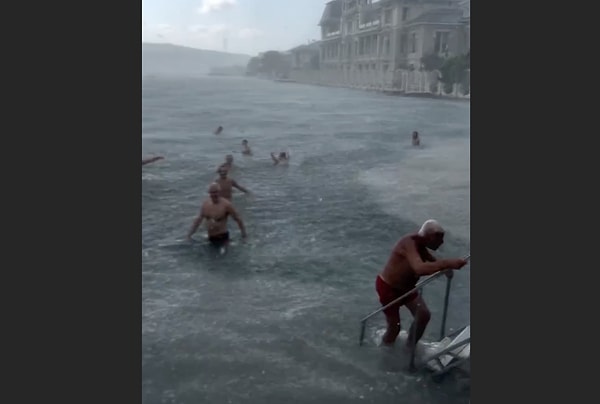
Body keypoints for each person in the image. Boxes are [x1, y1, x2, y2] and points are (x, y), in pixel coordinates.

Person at [375, 220, 467, 354]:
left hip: (406, 288)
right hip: (389, 288)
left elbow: (430, 260)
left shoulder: (421, 247)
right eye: (439, 239)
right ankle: (385, 353)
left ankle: (410, 348)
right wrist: (448, 263)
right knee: (394, 327)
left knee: (423, 315)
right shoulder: (409, 243)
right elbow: (419, 268)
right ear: (429, 236)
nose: (441, 243)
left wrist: (446, 267)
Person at [187, 183, 247, 247]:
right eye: (212, 192)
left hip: (222, 237)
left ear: (219, 192)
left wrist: (244, 235)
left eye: (216, 192)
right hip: (210, 237)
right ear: (209, 193)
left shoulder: (226, 205)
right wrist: (190, 234)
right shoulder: (205, 204)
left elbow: (238, 219)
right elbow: (198, 220)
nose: (214, 194)